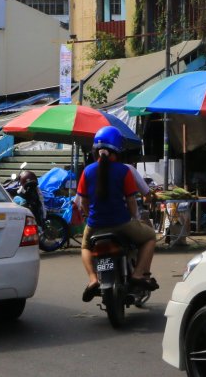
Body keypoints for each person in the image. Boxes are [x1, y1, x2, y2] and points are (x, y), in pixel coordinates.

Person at [77, 126, 158, 302]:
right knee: (150, 237)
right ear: (118, 149)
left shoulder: (87, 171)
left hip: (95, 225)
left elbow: (83, 202)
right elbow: (130, 201)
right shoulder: (124, 171)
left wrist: (88, 216)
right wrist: (134, 218)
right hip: (122, 224)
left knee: (85, 247)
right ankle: (138, 274)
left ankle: (92, 279)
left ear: (95, 150)